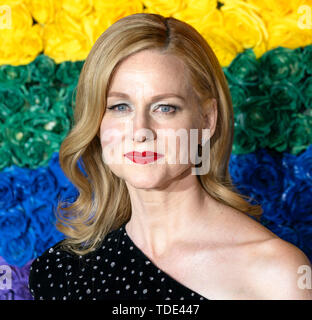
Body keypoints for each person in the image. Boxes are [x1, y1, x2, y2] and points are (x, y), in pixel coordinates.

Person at [28, 12, 312, 300]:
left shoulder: (277, 273)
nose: (140, 131)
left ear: (207, 119)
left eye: (165, 108)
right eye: (119, 107)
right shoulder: (61, 272)